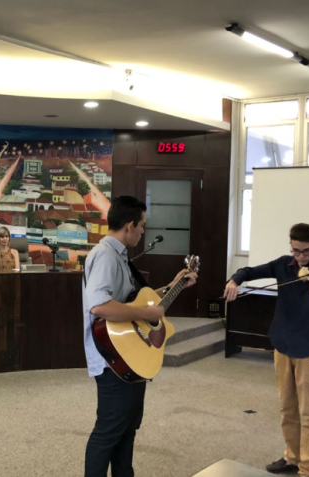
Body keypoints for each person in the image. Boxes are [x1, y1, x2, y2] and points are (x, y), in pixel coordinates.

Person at [82, 195, 197, 477]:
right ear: (129, 225)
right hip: (112, 361)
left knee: (126, 429)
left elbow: (137, 303)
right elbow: (99, 306)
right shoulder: (105, 256)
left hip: (129, 358)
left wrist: (173, 285)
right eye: (142, 225)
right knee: (108, 431)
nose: (143, 231)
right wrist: (145, 313)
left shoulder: (119, 255)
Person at [224, 223, 309, 477]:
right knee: (287, 408)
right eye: (296, 251)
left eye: (307, 251)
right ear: (291, 246)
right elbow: (249, 270)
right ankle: (291, 458)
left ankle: (307, 469)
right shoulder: (282, 265)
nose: (301, 257)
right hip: (283, 345)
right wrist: (234, 280)